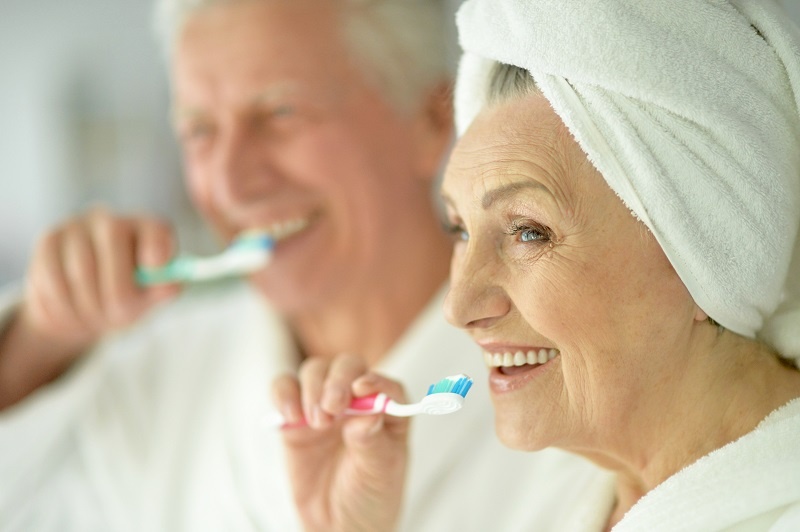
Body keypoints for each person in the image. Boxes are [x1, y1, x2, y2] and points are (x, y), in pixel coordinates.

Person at [0, 0, 600, 530]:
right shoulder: (156, 383)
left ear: (430, 120)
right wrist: (39, 338)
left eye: (281, 113)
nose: (231, 184)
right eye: (199, 130)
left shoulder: (572, 394)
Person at [274, 0, 800, 530]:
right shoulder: (557, 493)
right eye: (460, 230)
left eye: (529, 232)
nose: (459, 307)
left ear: (703, 250)